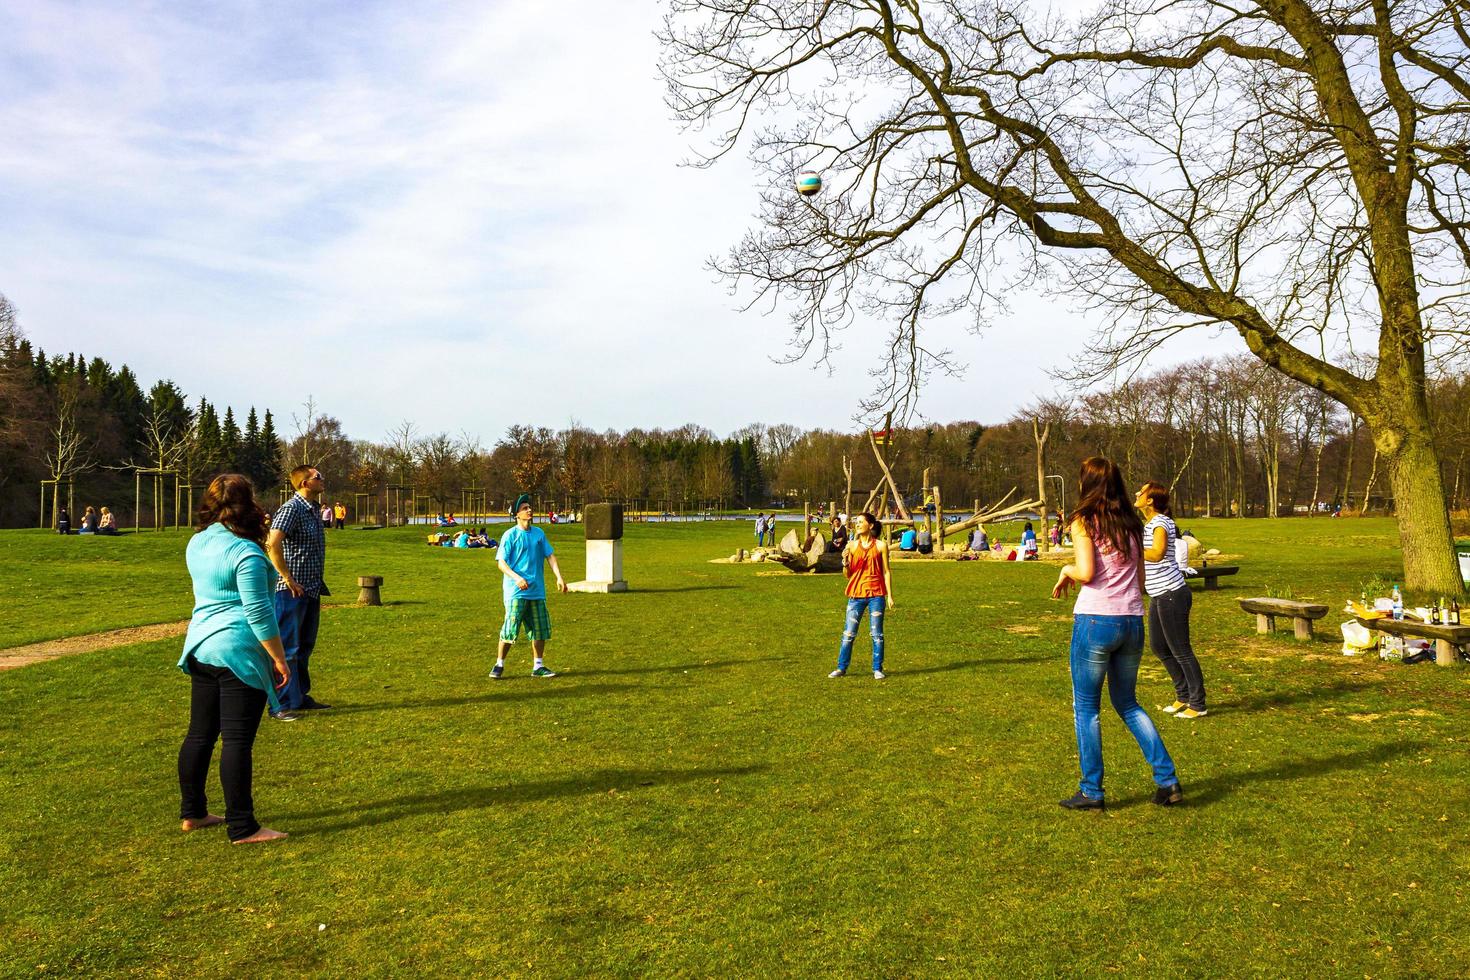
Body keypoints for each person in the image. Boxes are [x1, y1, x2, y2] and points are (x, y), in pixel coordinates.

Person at [1052, 456, 1181, 811]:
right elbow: (1139, 581)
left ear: (1086, 483)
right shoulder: (1131, 523)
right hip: (1132, 620)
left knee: (1086, 709)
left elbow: (1087, 571)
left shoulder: (1084, 520)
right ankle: (1167, 779)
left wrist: (1065, 569)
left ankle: (1092, 790)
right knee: (1127, 702)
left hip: (1096, 620)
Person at [176, 473, 291, 844]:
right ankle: (243, 827)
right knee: (237, 740)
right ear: (249, 504)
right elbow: (259, 612)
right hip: (237, 648)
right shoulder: (247, 553)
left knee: (200, 734)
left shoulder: (197, 542)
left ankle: (193, 812)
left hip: (201, 646)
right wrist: (279, 658)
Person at [1137, 482, 1207, 719]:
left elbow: (1156, 554)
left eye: (1141, 492)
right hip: (1159, 594)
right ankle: (1183, 696)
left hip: (1172, 593)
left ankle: (1197, 704)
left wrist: (1131, 549)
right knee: (1159, 647)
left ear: (1150, 500)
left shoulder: (1160, 522)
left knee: (1181, 650)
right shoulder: (1150, 523)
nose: (1137, 494)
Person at [266, 465, 331, 718]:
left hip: (311, 589)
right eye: (318, 476)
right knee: (287, 648)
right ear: (305, 483)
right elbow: (272, 543)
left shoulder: (314, 509)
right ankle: (281, 704)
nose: (322, 479)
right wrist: (286, 577)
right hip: (290, 591)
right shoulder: (291, 508)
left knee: (304, 646)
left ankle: (299, 696)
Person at [492, 493, 567, 679]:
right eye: (524, 508)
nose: (529, 510)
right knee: (511, 627)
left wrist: (559, 577)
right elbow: (501, 563)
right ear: (517, 514)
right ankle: (499, 664)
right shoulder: (510, 535)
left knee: (540, 628)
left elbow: (550, 556)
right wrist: (516, 578)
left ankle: (538, 666)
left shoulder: (539, 534)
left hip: (537, 591)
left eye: (529, 507)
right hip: (515, 591)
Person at [829, 511, 894, 680]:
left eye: (860, 522)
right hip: (856, 594)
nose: (857, 524)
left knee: (877, 634)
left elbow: (886, 571)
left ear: (870, 525)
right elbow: (847, 574)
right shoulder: (850, 545)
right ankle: (841, 668)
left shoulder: (881, 546)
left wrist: (890, 596)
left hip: (876, 594)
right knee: (848, 634)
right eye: (856, 522)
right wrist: (845, 563)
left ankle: (877, 669)